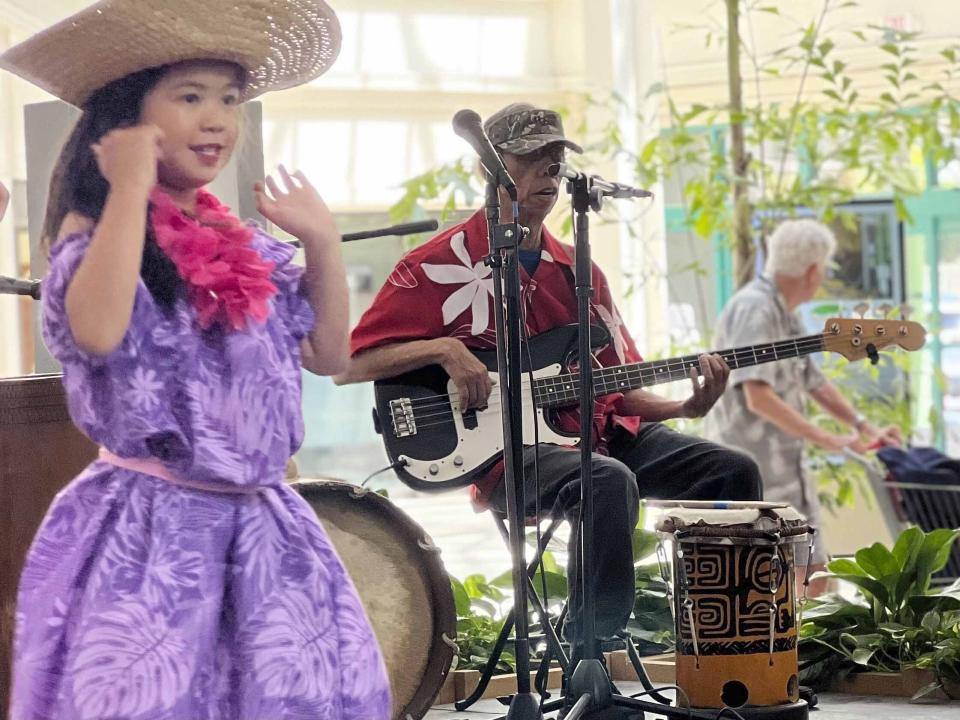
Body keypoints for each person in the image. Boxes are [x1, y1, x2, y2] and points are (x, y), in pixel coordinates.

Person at [0, 1, 390, 717]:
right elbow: (95, 331)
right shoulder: (100, 247)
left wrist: (324, 244)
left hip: (266, 532)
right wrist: (127, 190)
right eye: (189, 97)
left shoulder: (251, 250)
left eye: (229, 99)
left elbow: (329, 353)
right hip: (149, 534)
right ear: (127, 118)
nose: (217, 119)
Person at [336, 102, 762, 653]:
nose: (549, 172)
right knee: (605, 481)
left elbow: (617, 386)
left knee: (731, 473)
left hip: (600, 436)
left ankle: (725, 646)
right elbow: (349, 364)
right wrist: (445, 350)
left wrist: (686, 407)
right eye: (531, 157)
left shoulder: (581, 272)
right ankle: (595, 653)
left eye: (555, 159)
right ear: (488, 169)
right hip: (508, 454)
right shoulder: (440, 266)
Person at [705, 218, 902, 595]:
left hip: (787, 471)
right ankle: (791, 651)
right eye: (825, 267)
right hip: (757, 476)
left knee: (815, 573)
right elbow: (757, 396)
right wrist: (829, 439)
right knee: (785, 583)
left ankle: (807, 649)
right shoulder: (754, 310)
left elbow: (814, 382)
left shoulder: (785, 313)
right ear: (813, 270)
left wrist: (864, 428)